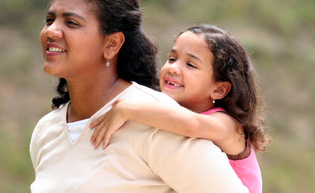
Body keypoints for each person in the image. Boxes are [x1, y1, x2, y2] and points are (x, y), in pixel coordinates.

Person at [29, 0, 249, 192]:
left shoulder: (158, 122)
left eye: (72, 23)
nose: (51, 31)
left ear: (111, 44)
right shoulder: (46, 131)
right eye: (49, 20)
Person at [90, 24, 272, 193]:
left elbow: (191, 126)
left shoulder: (228, 125)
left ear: (219, 89)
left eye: (190, 64)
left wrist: (127, 110)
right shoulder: (171, 111)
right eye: (172, 58)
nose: (173, 68)